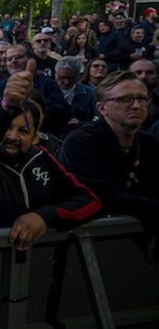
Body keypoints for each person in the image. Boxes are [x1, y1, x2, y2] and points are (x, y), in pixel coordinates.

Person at [0, 60, 101, 250]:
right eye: (7, 128)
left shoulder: (42, 158)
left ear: (36, 136)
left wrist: (44, 217)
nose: (12, 136)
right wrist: (6, 108)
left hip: (32, 268)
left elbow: (90, 201)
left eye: (23, 131)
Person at [60, 70, 159, 229]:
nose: (136, 105)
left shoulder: (148, 143)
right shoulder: (80, 143)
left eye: (141, 98)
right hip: (92, 238)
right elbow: (104, 197)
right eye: (125, 99)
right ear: (102, 108)